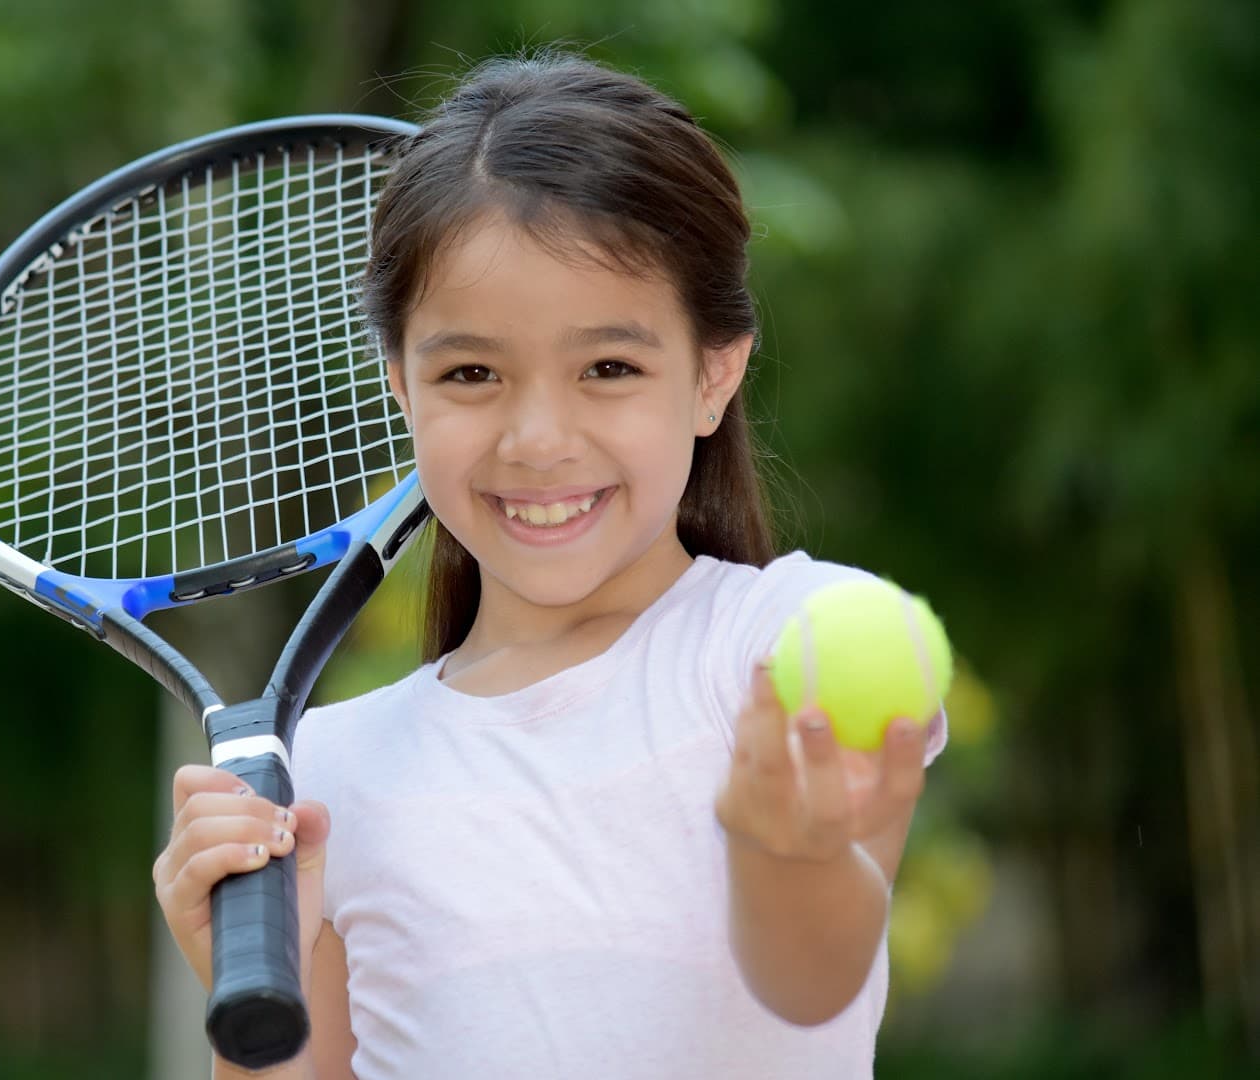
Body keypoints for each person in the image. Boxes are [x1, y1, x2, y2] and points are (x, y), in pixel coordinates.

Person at [155, 50, 947, 1079]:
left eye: (609, 367)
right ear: (400, 385)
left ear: (715, 374)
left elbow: (813, 982)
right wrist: (245, 994)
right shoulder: (330, 775)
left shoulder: (782, 648)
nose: (537, 439)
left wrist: (785, 851)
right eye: (471, 372)